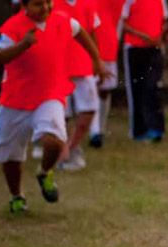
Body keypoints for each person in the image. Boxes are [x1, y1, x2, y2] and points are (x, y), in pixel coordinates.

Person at [0, 0, 108, 213]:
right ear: (25, 6)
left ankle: (45, 172)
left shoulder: (62, 20)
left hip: (49, 95)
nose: (45, 8)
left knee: (55, 141)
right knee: (9, 156)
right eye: (38, 4)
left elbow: (80, 31)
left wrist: (96, 60)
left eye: (48, 2)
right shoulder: (13, 26)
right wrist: (23, 45)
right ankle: (17, 196)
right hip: (15, 100)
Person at [53, 0, 100, 171]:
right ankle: (63, 153)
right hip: (59, 67)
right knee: (61, 115)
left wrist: (97, 60)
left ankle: (73, 147)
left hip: (83, 65)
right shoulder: (52, 4)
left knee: (89, 110)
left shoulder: (88, 3)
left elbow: (92, 33)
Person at [121, 0, 168, 142]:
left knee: (152, 87)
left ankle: (156, 128)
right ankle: (138, 130)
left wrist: (162, 36)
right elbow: (123, 25)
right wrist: (142, 35)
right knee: (136, 88)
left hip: (154, 49)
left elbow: (164, 22)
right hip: (134, 48)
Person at [88, 0, 126, 149]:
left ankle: (100, 128)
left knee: (104, 90)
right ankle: (94, 131)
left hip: (108, 44)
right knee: (92, 87)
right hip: (86, 46)